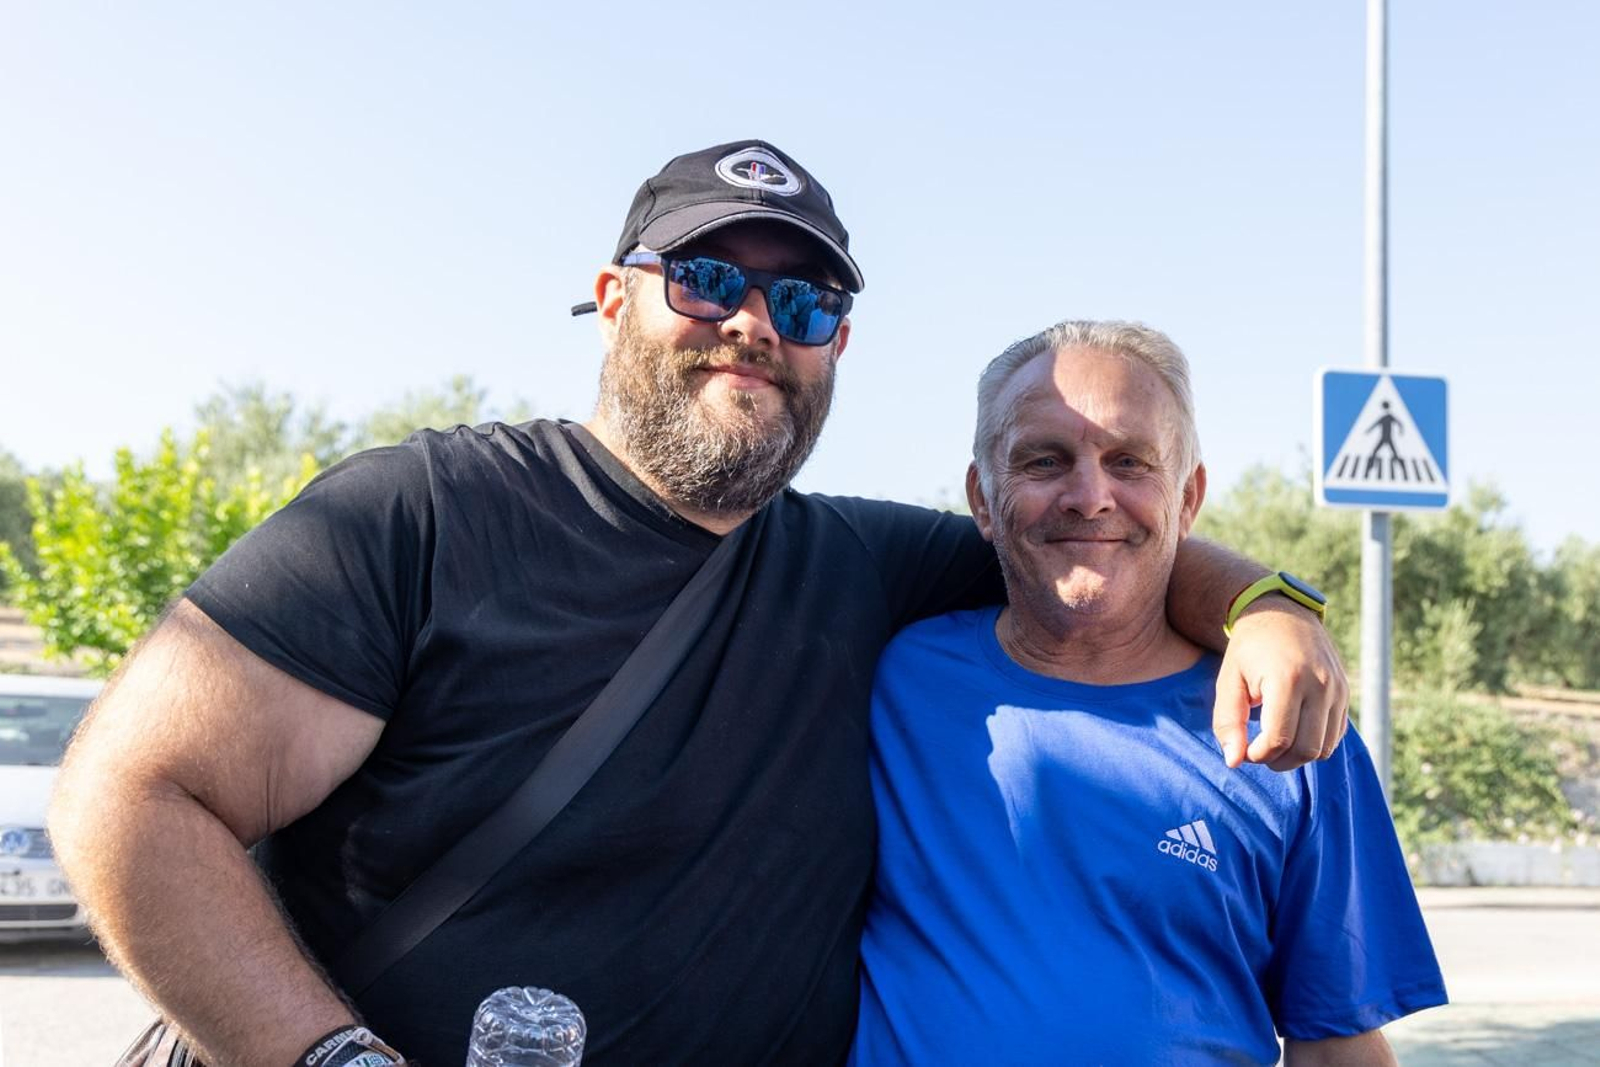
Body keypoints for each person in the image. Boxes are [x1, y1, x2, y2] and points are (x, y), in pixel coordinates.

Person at [50, 142, 1348, 1066]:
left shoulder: (868, 565)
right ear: (613, 299)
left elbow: (1090, 535)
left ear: (838, 343)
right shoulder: (419, 512)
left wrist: (1277, 602)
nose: (751, 323)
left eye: (802, 300)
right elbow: (129, 791)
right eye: (704, 279)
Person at [850, 320, 1446, 1065]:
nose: (1089, 495)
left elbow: (1337, 1047)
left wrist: (1272, 608)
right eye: (1044, 459)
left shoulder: (1290, 726)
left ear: (1188, 496)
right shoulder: (894, 678)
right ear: (982, 495)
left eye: (1130, 461)